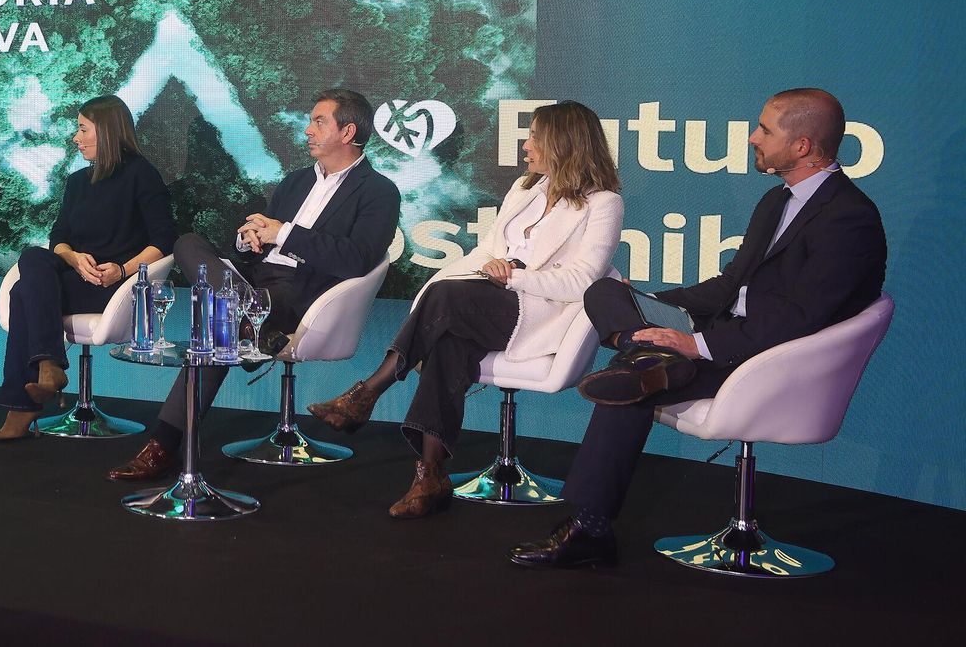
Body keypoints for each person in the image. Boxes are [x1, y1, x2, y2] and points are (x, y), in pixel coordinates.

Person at [510, 88, 887, 569]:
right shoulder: (778, 200)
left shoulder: (848, 217)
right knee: (605, 291)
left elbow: (800, 321)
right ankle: (649, 357)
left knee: (630, 388)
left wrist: (696, 344)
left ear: (802, 146)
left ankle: (589, 526)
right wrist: (653, 306)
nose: (753, 137)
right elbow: (732, 282)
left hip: (764, 358)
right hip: (723, 329)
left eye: (765, 130)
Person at [307, 100, 623, 518]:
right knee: (447, 339)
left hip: (541, 310)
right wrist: (437, 290)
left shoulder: (604, 203)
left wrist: (514, 277)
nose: (525, 146)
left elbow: (584, 281)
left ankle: (369, 392)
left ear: (564, 144)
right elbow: (486, 251)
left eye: (534, 138)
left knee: (448, 304)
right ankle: (429, 474)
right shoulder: (526, 188)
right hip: (486, 302)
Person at [108, 88, 401, 481]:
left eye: (318, 121)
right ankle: (246, 317)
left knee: (217, 326)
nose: (308, 130)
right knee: (186, 244)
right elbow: (260, 249)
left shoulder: (379, 191)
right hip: (256, 284)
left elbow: (359, 258)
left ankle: (163, 443)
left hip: (305, 291)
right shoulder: (295, 182)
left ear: (348, 132)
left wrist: (286, 234)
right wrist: (250, 240)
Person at [0, 95, 176, 441]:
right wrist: (74, 258)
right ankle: (49, 366)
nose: (76, 137)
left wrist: (121, 270)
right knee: (32, 256)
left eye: (82, 129)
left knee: (21, 292)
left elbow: (164, 240)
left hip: (114, 286)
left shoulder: (141, 175)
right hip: (75, 276)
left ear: (107, 132)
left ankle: (27, 399)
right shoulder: (77, 182)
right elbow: (59, 238)